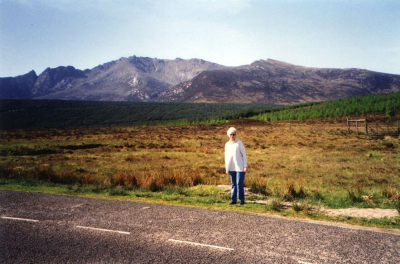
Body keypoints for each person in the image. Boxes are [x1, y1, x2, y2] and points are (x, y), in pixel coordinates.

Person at [225, 127, 247, 205]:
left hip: (240, 167)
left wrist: (245, 166)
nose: (232, 136)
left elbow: (244, 154)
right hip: (231, 167)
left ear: (236, 134)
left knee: (239, 184)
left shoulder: (239, 143)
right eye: (231, 134)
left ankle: (241, 200)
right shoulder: (227, 144)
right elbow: (226, 157)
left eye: (234, 134)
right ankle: (233, 200)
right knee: (233, 184)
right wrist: (227, 168)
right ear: (228, 135)